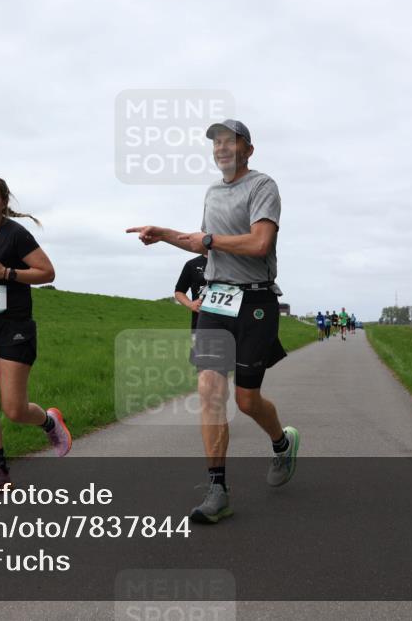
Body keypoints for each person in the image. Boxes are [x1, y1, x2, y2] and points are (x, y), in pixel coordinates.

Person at [127, 119, 299, 524]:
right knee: (209, 390)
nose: (221, 147)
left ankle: (281, 442)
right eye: (216, 142)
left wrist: (208, 240)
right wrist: (165, 233)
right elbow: (202, 242)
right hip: (217, 303)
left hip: (256, 301)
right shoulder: (211, 192)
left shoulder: (262, 186)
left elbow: (260, 244)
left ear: (248, 150)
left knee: (246, 399)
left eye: (230, 141)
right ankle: (217, 488)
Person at [0, 176, 71, 492]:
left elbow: (47, 272)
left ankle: (49, 422)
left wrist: (8, 273)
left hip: (15, 326)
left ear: (3, 202)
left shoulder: (16, 235)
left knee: (14, 409)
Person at [174, 254, 207, 332]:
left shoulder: (234, 260)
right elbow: (179, 291)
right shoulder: (192, 264)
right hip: (200, 322)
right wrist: (190, 304)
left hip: (234, 322)